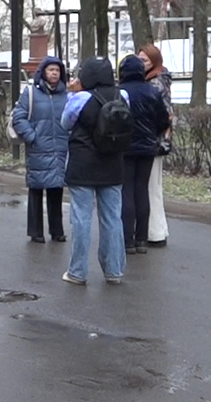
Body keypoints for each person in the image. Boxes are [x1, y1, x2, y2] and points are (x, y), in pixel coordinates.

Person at [59, 57, 130, 285]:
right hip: (113, 163)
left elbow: (65, 123)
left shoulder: (80, 98)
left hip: (83, 164)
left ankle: (77, 271)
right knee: (112, 218)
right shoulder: (123, 96)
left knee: (81, 219)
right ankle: (114, 270)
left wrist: (71, 94)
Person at [10, 55, 70, 243]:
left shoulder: (66, 94)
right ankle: (36, 232)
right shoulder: (31, 93)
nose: (54, 73)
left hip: (60, 147)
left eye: (57, 70)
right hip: (38, 147)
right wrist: (31, 136)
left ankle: (57, 230)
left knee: (56, 189)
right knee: (36, 189)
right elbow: (18, 117)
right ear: (43, 72)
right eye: (51, 70)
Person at [117, 54, 172, 255]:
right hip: (147, 147)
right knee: (142, 191)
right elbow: (163, 120)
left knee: (126, 191)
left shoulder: (120, 93)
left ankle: (127, 239)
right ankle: (141, 239)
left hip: (125, 147)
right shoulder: (151, 91)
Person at [136, 44, 174, 248]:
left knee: (151, 187)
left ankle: (156, 232)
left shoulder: (156, 83)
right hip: (154, 140)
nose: (141, 63)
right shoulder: (155, 80)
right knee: (152, 186)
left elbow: (164, 116)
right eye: (139, 59)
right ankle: (156, 230)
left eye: (145, 60)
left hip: (153, 141)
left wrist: (160, 139)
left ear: (154, 62)